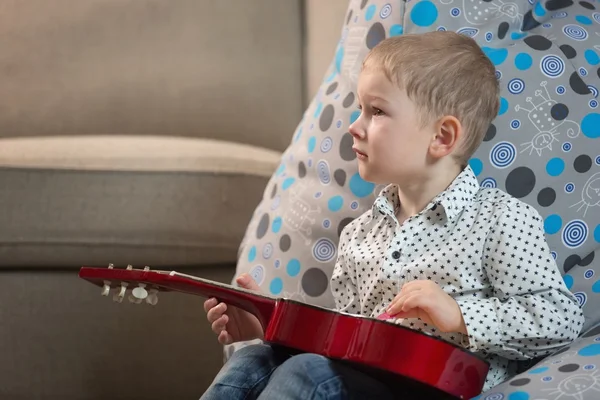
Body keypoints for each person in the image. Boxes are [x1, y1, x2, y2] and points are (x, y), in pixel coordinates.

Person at [200, 31, 585, 400]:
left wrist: (459, 314)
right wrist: (271, 328)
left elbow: (560, 319)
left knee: (307, 376)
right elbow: (339, 345)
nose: (354, 125)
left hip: (440, 388)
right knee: (254, 360)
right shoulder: (359, 235)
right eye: (359, 108)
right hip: (362, 381)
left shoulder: (500, 220)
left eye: (377, 111)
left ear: (442, 137)